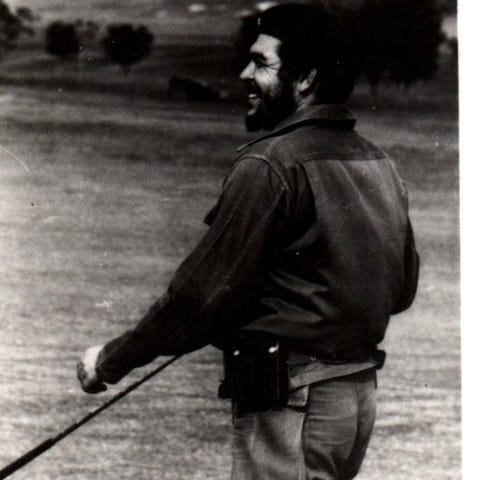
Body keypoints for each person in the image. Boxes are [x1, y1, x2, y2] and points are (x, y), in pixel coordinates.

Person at [77, 4, 419, 480]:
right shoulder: (379, 163)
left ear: (306, 78)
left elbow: (195, 299)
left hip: (294, 404)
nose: (244, 75)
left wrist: (108, 362)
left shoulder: (269, 165)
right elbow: (400, 291)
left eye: (261, 62)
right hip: (353, 403)